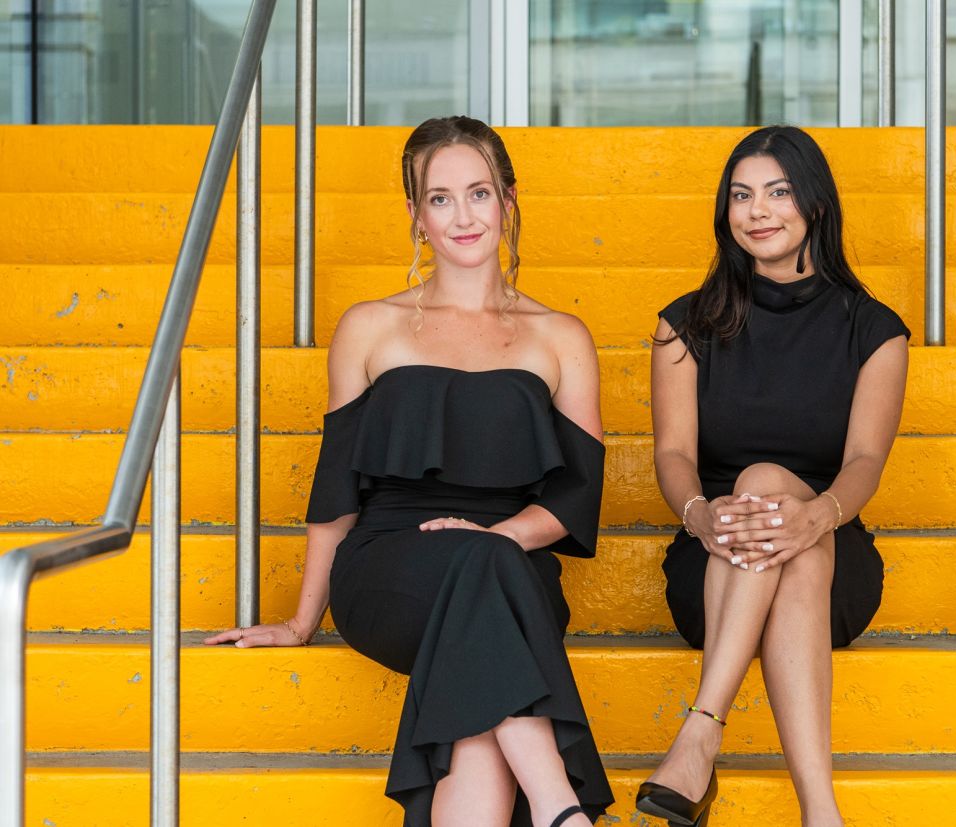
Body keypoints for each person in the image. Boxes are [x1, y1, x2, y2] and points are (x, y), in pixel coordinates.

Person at [206, 116, 614, 827]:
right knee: (488, 632)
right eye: (441, 198)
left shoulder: (561, 336)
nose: (463, 215)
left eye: (480, 193)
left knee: (477, 696)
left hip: (512, 563)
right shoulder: (371, 326)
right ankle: (559, 806)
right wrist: (304, 620)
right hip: (390, 564)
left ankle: (561, 815)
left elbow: (578, 492)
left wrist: (503, 536)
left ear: (509, 200)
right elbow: (337, 486)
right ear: (415, 215)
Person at [636, 125, 910, 827]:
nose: (758, 210)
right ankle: (820, 810)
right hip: (713, 557)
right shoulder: (685, 324)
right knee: (758, 487)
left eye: (778, 192)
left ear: (815, 203)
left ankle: (702, 727)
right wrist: (699, 514)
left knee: (789, 521)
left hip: (833, 548)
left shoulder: (874, 329)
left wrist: (817, 515)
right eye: (741, 195)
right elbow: (673, 454)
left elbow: (864, 462)